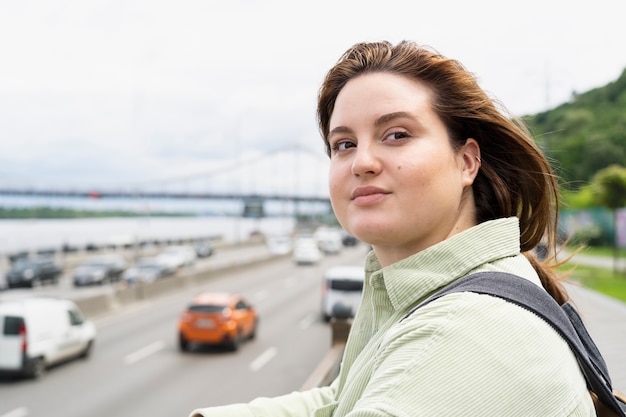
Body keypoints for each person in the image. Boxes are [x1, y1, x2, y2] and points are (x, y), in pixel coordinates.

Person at [189, 40, 595, 416]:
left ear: (467, 162)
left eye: (397, 135)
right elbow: (342, 398)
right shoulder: (438, 291)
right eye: (343, 144)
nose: (362, 162)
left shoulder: (460, 334)